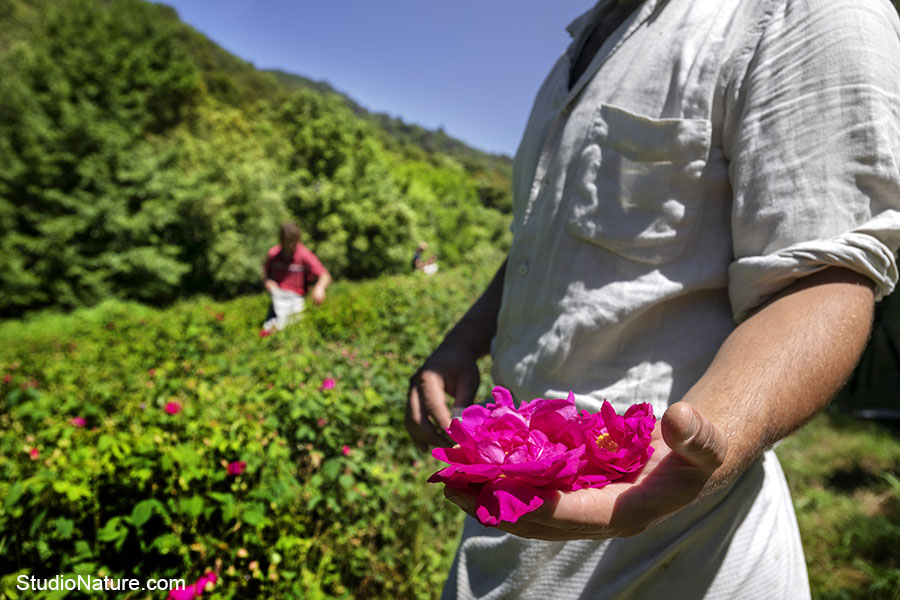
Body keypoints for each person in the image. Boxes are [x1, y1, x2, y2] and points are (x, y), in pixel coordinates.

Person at [406, 1, 900, 598]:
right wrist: (462, 341)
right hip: (503, 546)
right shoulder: (585, 42)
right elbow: (545, 237)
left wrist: (690, 453)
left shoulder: (803, 11)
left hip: (677, 549)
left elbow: (820, 278)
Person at [261, 222, 331, 333]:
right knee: (269, 332)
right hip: (277, 299)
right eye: (289, 241)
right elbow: (265, 275)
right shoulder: (273, 254)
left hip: (297, 300)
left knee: (295, 331)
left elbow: (324, 275)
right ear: (282, 240)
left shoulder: (304, 254)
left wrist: (320, 288)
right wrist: (268, 282)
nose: (293, 245)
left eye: (295, 241)